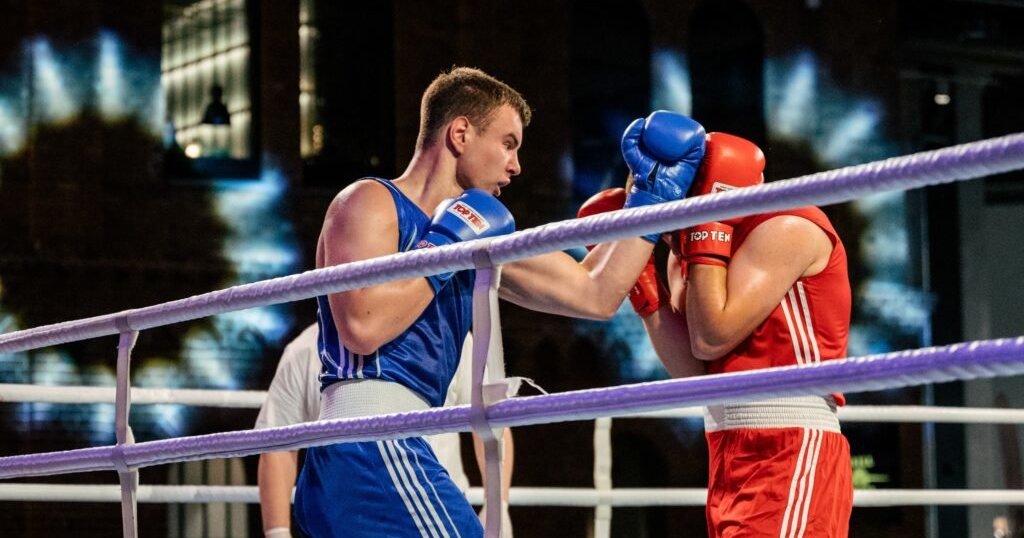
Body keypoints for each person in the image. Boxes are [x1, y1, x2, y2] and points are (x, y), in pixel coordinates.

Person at [295, 66, 707, 538]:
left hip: (391, 445)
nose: (516, 166)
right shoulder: (370, 201)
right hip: (367, 440)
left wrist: (650, 200)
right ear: (461, 133)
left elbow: (593, 294)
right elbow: (362, 328)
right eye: (508, 143)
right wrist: (444, 247)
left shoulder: (479, 236)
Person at [617, 127, 854, 537]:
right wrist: (641, 286)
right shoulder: (687, 251)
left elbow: (712, 335)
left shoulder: (788, 224)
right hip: (727, 446)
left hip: (791, 444)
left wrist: (708, 226)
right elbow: (696, 373)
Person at [256, 325, 514, 537]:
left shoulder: (448, 332)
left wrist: (497, 505)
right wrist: (277, 532)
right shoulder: (303, 350)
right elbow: (278, 444)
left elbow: (490, 419)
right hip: (346, 512)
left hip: (435, 504)